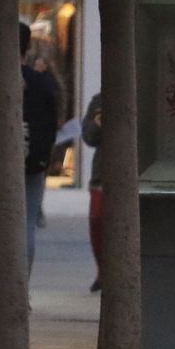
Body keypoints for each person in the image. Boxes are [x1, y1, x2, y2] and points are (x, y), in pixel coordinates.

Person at [21, 23, 60, 273]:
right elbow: (53, 115)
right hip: (34, 159)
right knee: (26, 223)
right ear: (27, 48)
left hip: (0, 160)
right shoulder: (41, 82)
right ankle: (20, 285)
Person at [80, 92, 104, 293]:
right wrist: (97, 123)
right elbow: (88, 137)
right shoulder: (98, 101)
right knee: (97, 221)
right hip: (102, 176)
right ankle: (102, 270)